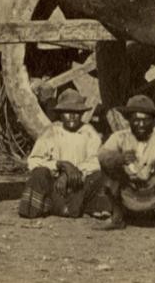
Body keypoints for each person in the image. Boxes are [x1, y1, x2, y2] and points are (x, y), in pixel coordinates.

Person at [97, 94, 155, 234]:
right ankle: (117, 217)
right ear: (129, 120)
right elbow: (102, 155)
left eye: (145, 120)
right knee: (107, 170)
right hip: (128, 191)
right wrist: (119, 158)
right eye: (136, 120)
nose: (141, 125)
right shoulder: (120, 137)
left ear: (153, 120)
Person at [18, 90, 107, 219]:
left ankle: (77, 207)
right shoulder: (52, 131)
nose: (71, 116)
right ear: (60, 114)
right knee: (39, 173)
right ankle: (53, 206)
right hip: (56, 186)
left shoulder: (88, 132)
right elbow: (33, 161)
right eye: (67, 112)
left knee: (100, 176)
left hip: (78, 185)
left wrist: (72, 172)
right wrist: (60, 165)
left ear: (82, 114)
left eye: (76, 112)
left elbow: (96, 160)